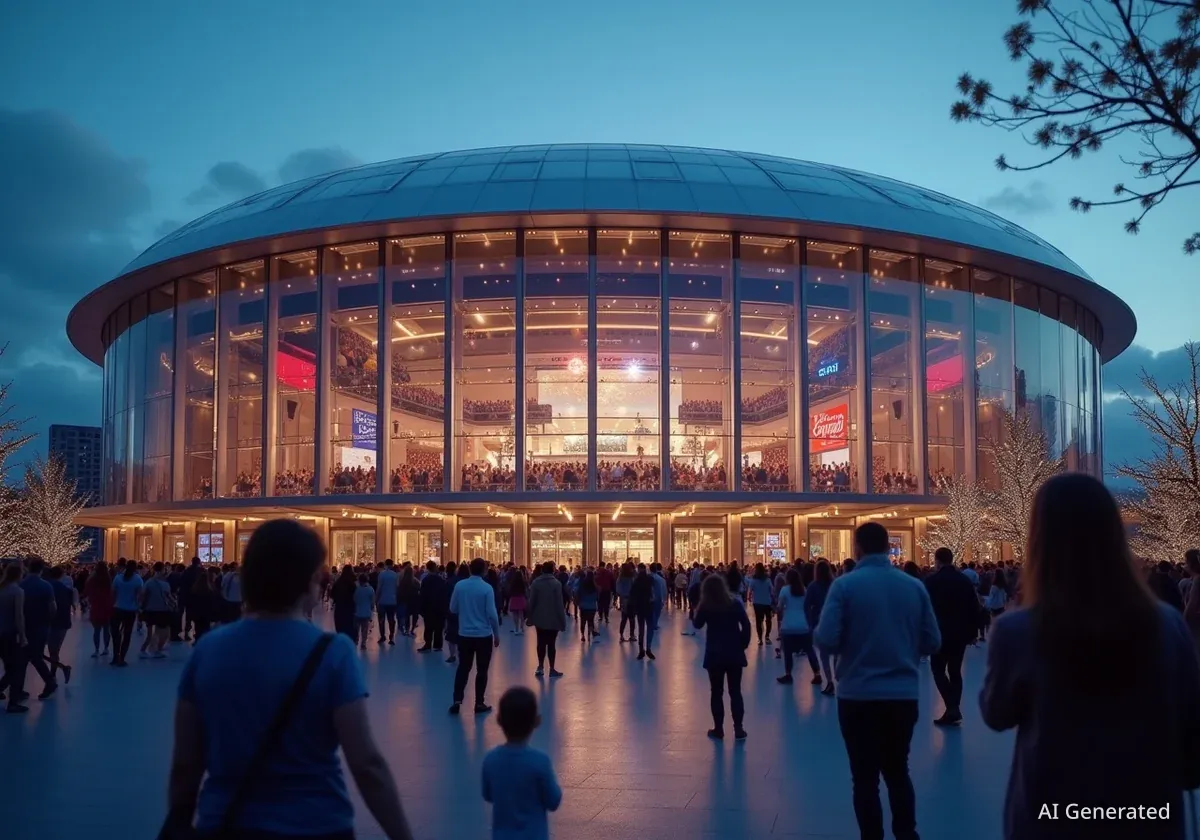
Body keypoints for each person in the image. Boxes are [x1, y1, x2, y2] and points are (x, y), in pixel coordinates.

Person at [981, 473, 1200, 840]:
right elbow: (1190, 725)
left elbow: (997, 713)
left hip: (1051, 810)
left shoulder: (1018, 631)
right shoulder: (1166, 625)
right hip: (1147, 809)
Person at [166, 518, 414, 840]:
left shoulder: (208, 651)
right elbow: (366, 764)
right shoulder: (333, 653)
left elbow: (186, 764)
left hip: (226, 822)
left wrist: (179, 820)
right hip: (317, 823)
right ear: (312, 580)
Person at [814, 522, 941, 840]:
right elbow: (932, 641)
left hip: (857, 695)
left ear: (857, 547)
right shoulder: (913, 587)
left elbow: (826, 638)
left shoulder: (845, 587)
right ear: (887, 546)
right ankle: (906, 833)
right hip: (902, 694)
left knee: (864, 778)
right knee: (898, 771)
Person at [481, 686, 562, 840]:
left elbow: (488, 795)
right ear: (536, 721)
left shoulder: (490, 760)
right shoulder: (540, 762)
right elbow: (553, 801)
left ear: (499, 720)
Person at [924, 547, 981, 726]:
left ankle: (952, 706)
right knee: (955, 671)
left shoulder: (932, 581)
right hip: (960, 633)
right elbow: (974, 607)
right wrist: (973, 632)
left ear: (937, 560)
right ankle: (953, 707)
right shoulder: (963, 580)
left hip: (939, 631)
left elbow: (925, 609)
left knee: (938, 669)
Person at [692, 573, 752, 740]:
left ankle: (718, 728)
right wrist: (743, 643)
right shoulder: (734, 603)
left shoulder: (706, 606)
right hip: (734, 652)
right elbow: (746, 624)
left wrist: (696, 608)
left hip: (714, 653)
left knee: (716, 692)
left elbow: (697, 624)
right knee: (735, 691)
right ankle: (738, 728)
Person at [448, 557, 501, 715]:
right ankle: (479, 702)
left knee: (463, 667)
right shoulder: (487, 588)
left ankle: (457, 700)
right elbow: (492, 614)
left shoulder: (460, 586)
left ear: (470, 569)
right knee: (482, 670)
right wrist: (496, 634)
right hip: (483, 635)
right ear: (485, 570)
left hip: (464, 634)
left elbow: (453, 608)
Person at [19, 558, 58, 699]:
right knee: (36, 657)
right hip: (41, 627)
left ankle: (18, 689)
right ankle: (50, 682)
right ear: (41, 570)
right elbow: (53, 608)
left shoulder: (21, 585)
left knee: (23, 659)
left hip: (24, 627)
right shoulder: (46, 586)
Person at [775, 568, 818, 685]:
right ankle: (817, 673)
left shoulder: (784, 590)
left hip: (788, 626)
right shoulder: (803, 590)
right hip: (803, 625)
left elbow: (779, 607)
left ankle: (788, 674)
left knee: (788, 652)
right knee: (809, 649)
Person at [526, 562, 567, 678]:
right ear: (553, 570)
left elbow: (532, 601)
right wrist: (562, 621)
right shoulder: (556, 584)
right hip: (553, 618)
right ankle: (552, 669)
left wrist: (529, 616)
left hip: (539, 618)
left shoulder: (536, 583)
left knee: (541, 642)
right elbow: (559, 604)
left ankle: (540, 667)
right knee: (551, 644)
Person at [0, 564, 29, 713]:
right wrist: (22, 636)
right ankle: (13, 701)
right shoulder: (17, 591)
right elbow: (19, 616)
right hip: (9, 635)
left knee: (9, 666)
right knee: (17, 668)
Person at [804, 560, 836, 695]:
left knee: (824, 655)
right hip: (835, 621)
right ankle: (839, 675)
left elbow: (806, 605)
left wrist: (809, 622)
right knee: (838, 653)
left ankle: (829, 681)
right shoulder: (835, 584)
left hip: (819, 622)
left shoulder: (813, 586)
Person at [140, 562, 176, 659]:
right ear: (162, 570)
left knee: (150, 633)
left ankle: (144, 649)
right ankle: (157, 649)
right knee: (163, 631)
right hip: (162, 610)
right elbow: (168, 597)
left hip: (149, 610)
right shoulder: (165, 584)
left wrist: (141, 607)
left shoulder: (149, 582)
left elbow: (142, 595)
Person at [110, 559, 143, 667]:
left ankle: (115, 656)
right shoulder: (138, 579)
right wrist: (139, 607)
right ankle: (122, 658)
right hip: (130, 610)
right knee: (127, 634)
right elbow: (140, 596)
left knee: (116, 634)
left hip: (117, 608)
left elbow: (113, 593)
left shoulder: (118, 578)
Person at [46, 565, 75, 684]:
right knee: (55, 650)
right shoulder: (65, 589)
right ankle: (54, 672)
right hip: (62, 622)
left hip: (49, 622)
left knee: (49, 650)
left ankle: (53, 674)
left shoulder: (47, 586)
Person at [84, 562, 113, 658]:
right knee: (106, 629)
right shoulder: (108, 579)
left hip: (96, 605)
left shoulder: (92, 579)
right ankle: (106, 648)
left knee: (96, 630)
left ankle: (96, 650)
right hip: (107, 606)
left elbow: (87, 591)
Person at [418, 561, 448, 652]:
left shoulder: (425, 580)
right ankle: (438, 645)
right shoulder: (441, 580)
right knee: (439, 627)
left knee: (428, 627)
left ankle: (428, 644)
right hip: (439, 607)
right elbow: (444, 594)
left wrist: (421, 608)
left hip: (428, 607)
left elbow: (422, 595)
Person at [629, 564, 656, 661]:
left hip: (640, 608)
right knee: (650, 628)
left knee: (641, 629)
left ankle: (641, 650)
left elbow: (632, 595)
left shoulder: (636, 582)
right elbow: (653, 594)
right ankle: (648, 648)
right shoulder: (650, 580)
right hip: (649, 607)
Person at [747, 563, 775, 646]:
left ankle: (760, 638)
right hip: (767, 602)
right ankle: (767, 637)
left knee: (759, 621)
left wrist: (749, 598)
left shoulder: (753, 580)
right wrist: (773, 600)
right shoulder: (768, 580)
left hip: (757, 603)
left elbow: (750, 590)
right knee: (768, 620)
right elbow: (772, 591)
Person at [376, 559, 399, 645]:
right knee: (391, 619)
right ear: (392, 565)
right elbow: (397, 588)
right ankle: (391, 637)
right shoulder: (395, 575)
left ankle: (382, 636)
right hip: (392, 600)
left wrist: (376, 599)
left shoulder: (381, 574)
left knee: (381, 619)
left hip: (382, 600)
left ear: (385, 564)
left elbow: (379, 588)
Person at [330, 566, 357, 640]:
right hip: (350, 609)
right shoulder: (353, 583)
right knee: (350, 629)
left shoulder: (338, 582)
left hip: (339, 608)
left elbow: (332, 594)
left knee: (340, 629)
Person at [354, 574, 375, 651]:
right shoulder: (370, 589)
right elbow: (372, 602)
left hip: (357, 612)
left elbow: (354, 600)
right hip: (366, 612)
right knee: (365, 629)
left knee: (356, 628)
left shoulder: (356, 589)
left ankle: (356, 640)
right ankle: (363, 643)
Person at [577, 572, 600, 643]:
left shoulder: (582, 585)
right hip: (592, 606)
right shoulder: (595, 586)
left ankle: (583, 635)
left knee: (583, 621)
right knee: (591, 620)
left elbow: (578, 594)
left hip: (583, 606)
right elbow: (598, 597)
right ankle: (590, 633)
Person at [507, 568, 528, 635]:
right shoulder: (523, 582)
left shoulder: (513, 582)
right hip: (521, 598)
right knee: (521, 614)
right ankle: (522, 628)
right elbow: (526, 590)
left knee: (515, 614)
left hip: (514, 598)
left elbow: (510, 591)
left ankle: (516, 628)